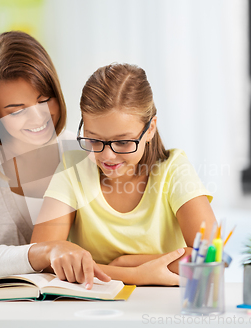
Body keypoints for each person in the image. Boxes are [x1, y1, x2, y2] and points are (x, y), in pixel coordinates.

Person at [0, 31, 109, 289]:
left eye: (44, 99)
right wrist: (47, 251)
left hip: (45, 299)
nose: (39, 118)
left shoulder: (78, 151)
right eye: (17, 111)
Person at [31, 63, 217, 285]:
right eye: (94, 139)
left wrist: (123, 263)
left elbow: (212, 258)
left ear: (150, 128)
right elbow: (41, 257)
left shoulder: (173, 170)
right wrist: (134, 274)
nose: (108, 156)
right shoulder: (73, 168)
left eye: (123, 142)